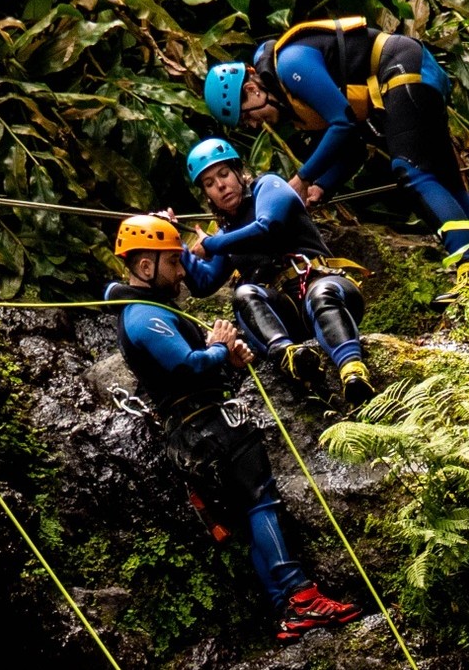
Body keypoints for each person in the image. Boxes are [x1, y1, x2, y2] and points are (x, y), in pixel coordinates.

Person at [104, 214, 363, 643]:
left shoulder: (146, 311)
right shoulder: (141, 314)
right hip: (206, 427)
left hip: (198, 427)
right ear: (145, 266)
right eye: (173, 262)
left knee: (251, 511)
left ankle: (288, 608)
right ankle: (299, 596)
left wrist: (228, 359)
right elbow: (187, 366)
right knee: (262, 504)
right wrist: (220, 349)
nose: (183, 270)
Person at [203, 17, 469, 304]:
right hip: (408, 77)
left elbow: (343, 122)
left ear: (252, 90)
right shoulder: (292, 104)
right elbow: (354, 145)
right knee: (448, 186)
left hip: (402, 67)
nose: (254, 126)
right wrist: (322, 187)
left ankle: (468, 268)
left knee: (412, 173)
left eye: (247, 119)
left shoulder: (291, 64)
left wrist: (303, 177)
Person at [181, 137, 376, 407]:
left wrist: (212, 244)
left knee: (321, 293)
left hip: (325, 285)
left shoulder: (269, 186)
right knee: (244, 294)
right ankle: (290, 357)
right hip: (285, 313)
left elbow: (267, 226)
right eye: (210, 184)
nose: (220, 186)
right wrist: (174, 244)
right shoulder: (226, 233)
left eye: (224, 174)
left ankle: (353, 372)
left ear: (238, 171)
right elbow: (203, 284)